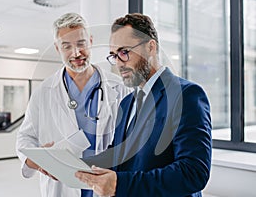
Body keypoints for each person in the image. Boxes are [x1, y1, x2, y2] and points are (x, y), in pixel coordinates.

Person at [75, 13, 212, 197]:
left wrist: (120, 184)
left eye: (124, 52)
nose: (119, 64)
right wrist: (72, 166)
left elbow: (193, 173)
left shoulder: (186, 95)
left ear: (150, 46)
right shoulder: (126, 102)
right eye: (114, 56)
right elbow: (117, 155)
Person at [16, 13, 129, 197]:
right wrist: (36, 160)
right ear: (57, 48)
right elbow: (24, 138)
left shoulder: (120, 88)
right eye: (66, 46)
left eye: (81, 43)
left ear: (90, 41)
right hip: (62, 187)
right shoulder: (43, 92)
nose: (76, 53)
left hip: (106, 184)